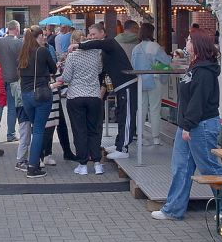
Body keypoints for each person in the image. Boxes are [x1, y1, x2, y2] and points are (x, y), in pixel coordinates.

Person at [152, 30, 222, 221]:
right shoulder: (195, 67)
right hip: (189, 124)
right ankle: (174, 209)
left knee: (209, 167)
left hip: (200, 125)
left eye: (189, 40)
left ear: (197, 45)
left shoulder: (204, 71)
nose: (186, 42)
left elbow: (197, 101)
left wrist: (187, 126)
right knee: (181, 167)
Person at [74, 22, 136, 160]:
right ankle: (119, 144)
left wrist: (79, 45)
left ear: (103, 32)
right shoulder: (105, 49)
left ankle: (123, 148)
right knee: (121, 115)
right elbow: (105, 72)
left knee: (127, 117)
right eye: (90, 34)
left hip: (126, 83)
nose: (91, 37)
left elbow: (97, 44)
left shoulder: (109, 43)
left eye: (94, 34)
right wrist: (103, 90)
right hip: (120, 86)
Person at [56, 30, 104, 176]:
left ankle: (82, 164)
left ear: (73, 42)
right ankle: (97, 163)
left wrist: (60, 68)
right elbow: (99, 70)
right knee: (94, 129)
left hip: (76, 96)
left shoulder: (72, 56)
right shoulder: (96, 54)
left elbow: (67, 77)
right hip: (94, 96)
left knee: (79, 131)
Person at [17, 25, 56, 178]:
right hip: (41, 94)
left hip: (26, 96)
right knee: (39, 130)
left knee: (35, 129)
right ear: (37, 37)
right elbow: (53, 69)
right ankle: (33, 166)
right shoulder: (42, 51)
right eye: (42, 36)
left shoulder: (22, 53)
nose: (44, 38)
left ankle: (33, 162)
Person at [130, 23, 171, 146]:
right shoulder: (155, 46)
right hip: (154, 80)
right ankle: (156, 138)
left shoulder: (136, 48)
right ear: (151, 32)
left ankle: (140, 136)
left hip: (140, 81)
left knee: (141, 109)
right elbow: (166, 62)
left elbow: (133, 65)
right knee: (154, 109)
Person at [0, 20, 23, 142]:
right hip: (13, 79)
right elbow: (22, 61)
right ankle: (10, 134)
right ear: (17, 29)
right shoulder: (19, 43)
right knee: (12, 108)